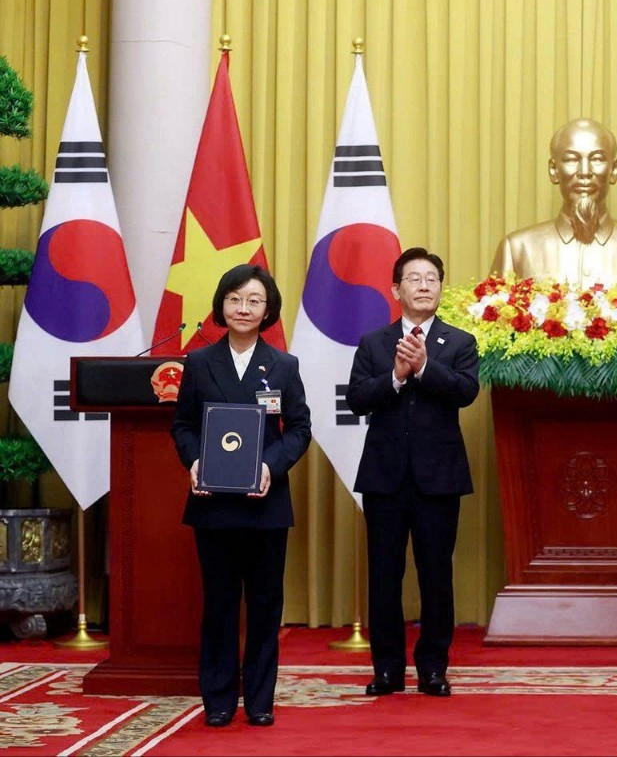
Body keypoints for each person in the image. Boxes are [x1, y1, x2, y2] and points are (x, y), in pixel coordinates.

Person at [171, 264, 312, 728]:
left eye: (254, 300)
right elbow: (185, 426)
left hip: (266, 506)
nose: (244, 307)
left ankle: (259, 698)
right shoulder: (198, 363)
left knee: (266, 605)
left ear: (267, 309)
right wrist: (193, 460)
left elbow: (299, 429)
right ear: (221, 304)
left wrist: (271, 465)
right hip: (213, 505)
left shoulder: (284, 366)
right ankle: (217, 697)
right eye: (235, 298)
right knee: (219, 603)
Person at [347, 247, 480, 698]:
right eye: (414, 278)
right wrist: (397, 377)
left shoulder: (460, 342)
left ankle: (433, 668)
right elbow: (359, 399)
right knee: (384, 575)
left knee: (436, 576)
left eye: (432, 279)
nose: (424, 286)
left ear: (441, 288)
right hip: (385, 477)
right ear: (395, 288)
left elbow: (465, 392)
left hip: (438, 477)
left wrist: (423, 367)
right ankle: (386, 669)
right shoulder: (374, 343)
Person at [489, 117, 617, 286]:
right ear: (553, 170)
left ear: (614, 170)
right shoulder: (517, 250)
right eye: (571, 159)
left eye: (597, 159)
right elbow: (492, 323)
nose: (584, 172)